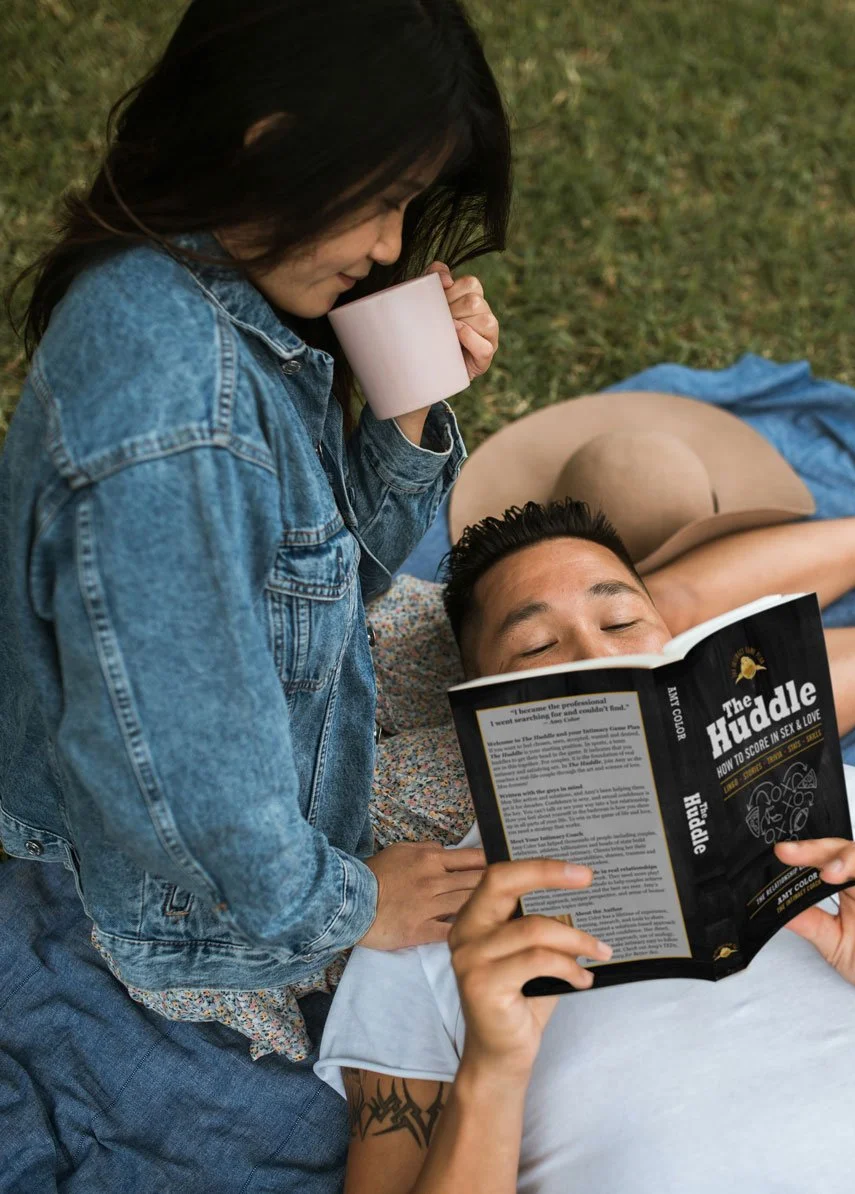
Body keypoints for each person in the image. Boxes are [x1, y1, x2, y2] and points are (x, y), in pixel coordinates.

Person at [0, 0, 510, 1067]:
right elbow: (191, 792)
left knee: (544, 713)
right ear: (270, 144)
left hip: (274, 737)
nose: (384, 246)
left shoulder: (205, 269)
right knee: (535, 812)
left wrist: (409, 386)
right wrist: (352, 904)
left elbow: (336, 573)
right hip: (196, 890)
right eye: (380, 203)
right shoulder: (176, 432)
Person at [316, 497, 855, 1193]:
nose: (596, 655)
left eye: (620, 623)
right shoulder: (429, 924)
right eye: (538, 647)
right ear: (482, 705)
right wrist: (494, 1071)